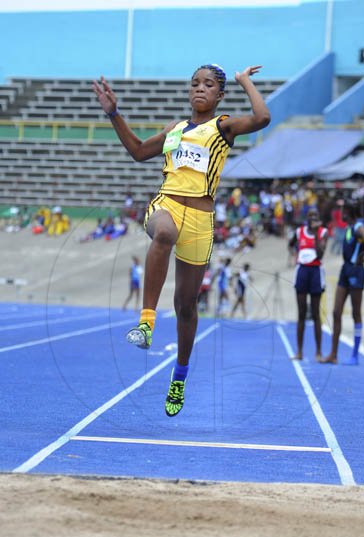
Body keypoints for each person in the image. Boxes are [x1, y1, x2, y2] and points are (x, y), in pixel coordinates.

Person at [93, 64, 270, 416]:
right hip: (167, 203)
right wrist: (114, 114)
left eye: (208, 85)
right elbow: (140, 151)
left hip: (201, 221)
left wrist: (244, 80)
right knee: (163, 233)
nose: (199, 89)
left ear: (219, 95)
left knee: (186, 307)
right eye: (194, 84)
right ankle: (146, 323)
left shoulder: (222, 127)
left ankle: (179, 376)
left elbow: (262, 117)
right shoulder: (173, 130)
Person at [320, 201, 364, 365]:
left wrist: (362, 255)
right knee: (336, 312)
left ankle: (355, 355)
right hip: (345, 270)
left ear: (349, 212)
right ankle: (333, 354)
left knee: (355, 313)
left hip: (356, 271)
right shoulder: (349, 227)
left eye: (343, 211)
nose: (340, 213)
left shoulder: (358, 227)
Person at [288, 208, 328, 361]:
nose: (312, 219)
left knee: (316, 314)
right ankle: (299, 352)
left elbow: (321, 253)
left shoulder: (323, 233)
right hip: (302, 271)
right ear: (307, 218)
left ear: (319, 219)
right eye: (310, 216)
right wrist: (294, 254)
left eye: (315, 216)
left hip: (316, 271)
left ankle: (318, 352)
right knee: (301, 313)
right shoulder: (299, 232)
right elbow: (291, 244)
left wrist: (317, 234)